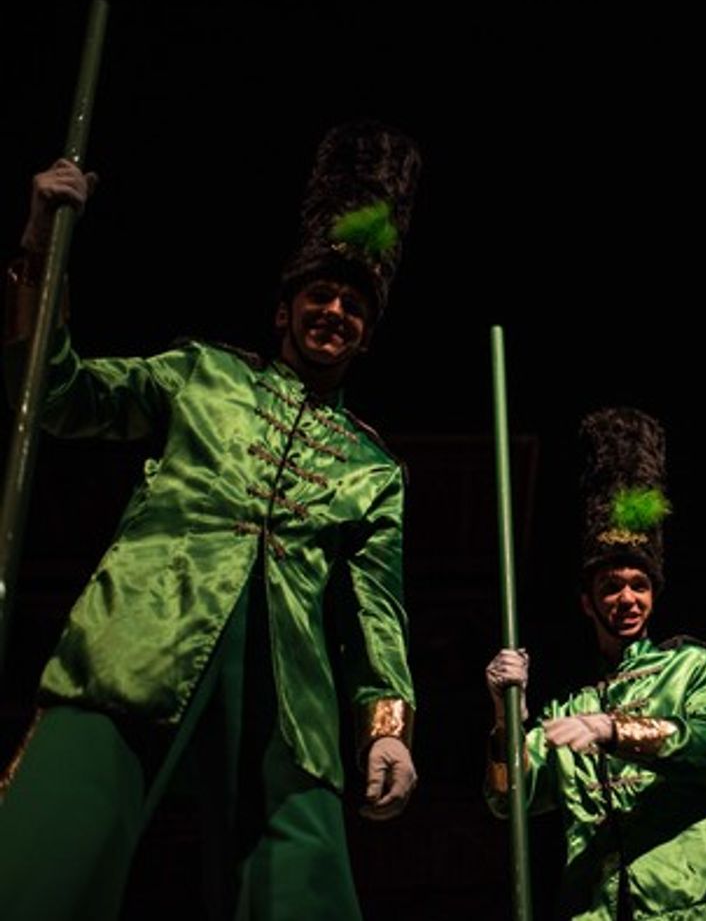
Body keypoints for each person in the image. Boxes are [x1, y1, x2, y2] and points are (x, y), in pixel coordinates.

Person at [0, 121, 421, 920]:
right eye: (320, 294)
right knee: (49, 853)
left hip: (290, 694)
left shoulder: (374, 469)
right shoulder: (204, 372)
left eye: (354, 305)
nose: (334, 310)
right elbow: (58, 396)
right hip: (140, 634)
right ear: (285, 307)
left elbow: (379, 612)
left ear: (367, 333)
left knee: (306, 883)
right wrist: (38, 245)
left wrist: (387, 725)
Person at [484, 407, 706, 920]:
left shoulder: (695, 666)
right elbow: (510, 801)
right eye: (611, 587)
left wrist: (613, 729)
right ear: (586, 601)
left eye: (639, 586)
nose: (626, 598)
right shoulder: (568, 706)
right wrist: (507, 713)